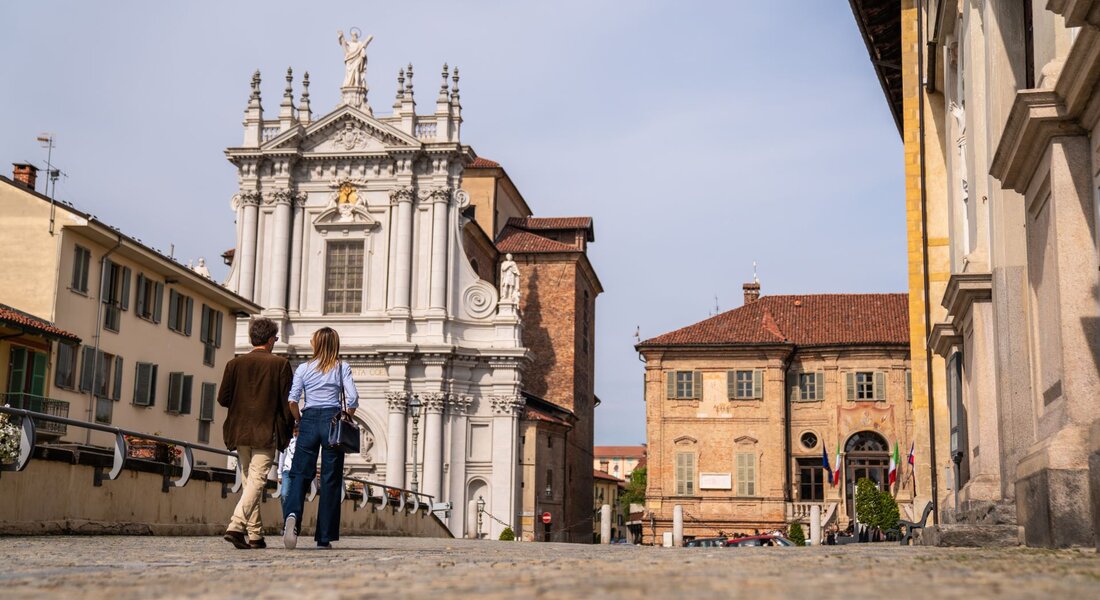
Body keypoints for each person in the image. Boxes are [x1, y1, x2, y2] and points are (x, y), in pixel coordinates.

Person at [218, 317, 294, 550]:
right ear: (271, 340)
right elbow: (286, 403)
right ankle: (235, 525)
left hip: (239, 431)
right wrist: (289, 429)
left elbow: (223, 399)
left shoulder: (234, 364)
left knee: (249, 481)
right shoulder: (280, 365)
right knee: (257, 481)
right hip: (265, 431)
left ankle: (255, 536)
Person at [281, 327, 359, 549]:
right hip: (332, 421)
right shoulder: (342, 367)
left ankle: (293, 515)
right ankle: (324, 537)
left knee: (299, 474)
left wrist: (298, 421)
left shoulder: (304, 368)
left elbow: (293, 400)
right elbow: (352, 399)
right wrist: (344, 419)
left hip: (309, 420)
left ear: (316, 344)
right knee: (330, 479)